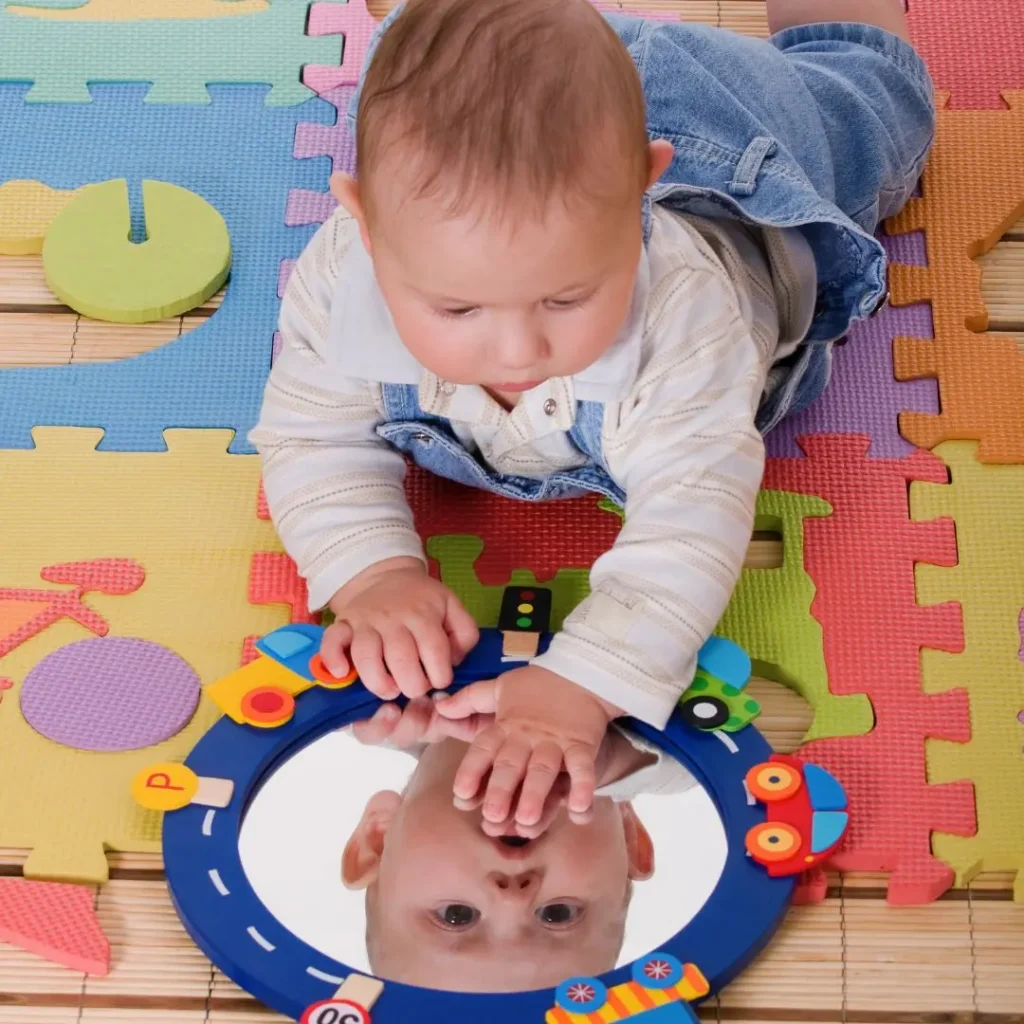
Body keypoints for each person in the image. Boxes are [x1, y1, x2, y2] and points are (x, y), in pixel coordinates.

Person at [251, 0, 934, 834]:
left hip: (740, 133)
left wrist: (588, 679)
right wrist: (370, 573)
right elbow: (310, 435)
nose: (516, 351)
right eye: (458, 308)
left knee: (878, 106)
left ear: (644, 194)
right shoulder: (341, 274)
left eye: (567, 297)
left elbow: (692, 515)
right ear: (365, 223)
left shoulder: (686, 322)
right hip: (559, 137)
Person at [340, 696, 691, 991]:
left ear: (379, 839)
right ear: (629, 839)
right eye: (559, 913)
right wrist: (616, 758)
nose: (512, 895)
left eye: (456, 915)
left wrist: (356, 610)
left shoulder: (359, 704)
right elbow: (685, 762)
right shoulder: (666, 750)